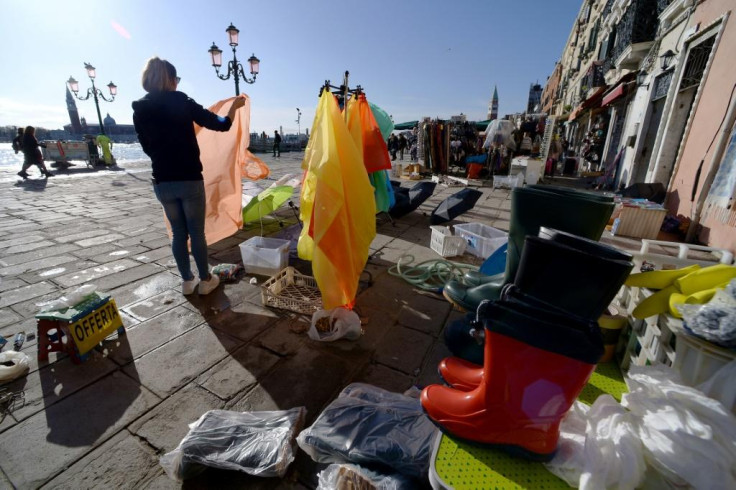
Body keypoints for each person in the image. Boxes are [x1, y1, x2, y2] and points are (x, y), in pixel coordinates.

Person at [132, 56, 246, 296]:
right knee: (196, 233)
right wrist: (233, 108)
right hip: (189, 178)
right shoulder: (181, 100)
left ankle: (186, 281)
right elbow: (220, 124)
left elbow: (146, 147)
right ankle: (206, 280)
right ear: (171, 80)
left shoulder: (139, 109)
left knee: (178, 233)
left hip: (162, 181)